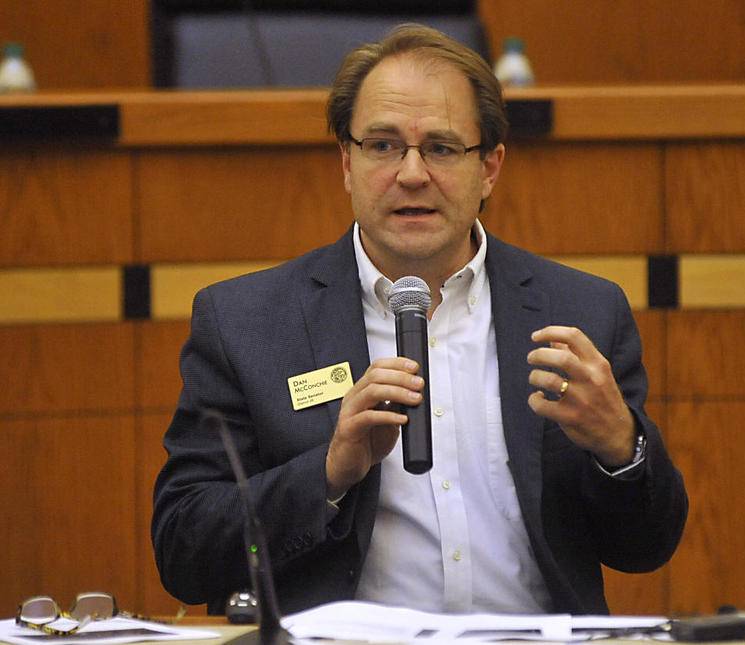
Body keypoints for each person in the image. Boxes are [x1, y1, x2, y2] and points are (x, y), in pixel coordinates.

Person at [152, 24, 687, 617]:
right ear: (347, 164)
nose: (411, 174)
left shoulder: (582, 311)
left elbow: (646, 546)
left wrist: (621, 448)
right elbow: (183, 551)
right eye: (382, 146)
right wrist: (328, 475)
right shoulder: (246, 323)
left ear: (489, 167)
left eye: (440, 147)